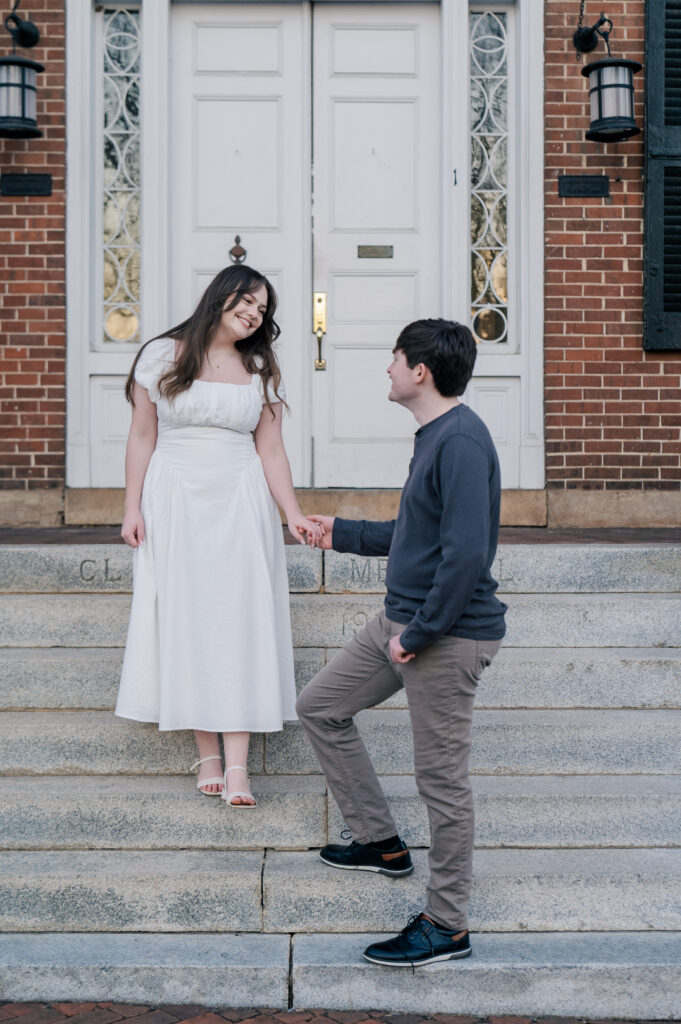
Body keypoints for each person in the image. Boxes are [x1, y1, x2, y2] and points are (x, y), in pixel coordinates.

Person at [298, 318, 507, 966]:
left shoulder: (462, 442)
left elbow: (466, 553)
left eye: (393, 359)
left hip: (444, 635)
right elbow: (418, 532)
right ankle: (379, 842)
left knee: (441, 782)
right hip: (401, 621)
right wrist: (343, 532)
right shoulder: (434, 436)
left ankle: (446, 925)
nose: (386, 369)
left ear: (419, 371)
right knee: (320, 706)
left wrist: (420, 633)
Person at [116, 265, 319, 806]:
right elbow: (142, 435)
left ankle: (237, 765)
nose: (254, 313)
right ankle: (207, 751)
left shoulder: (260, 368)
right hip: (175, 495)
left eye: (263, 309)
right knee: (188, 615)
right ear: (220, 295)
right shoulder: (161, 355)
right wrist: (131, 507)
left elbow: (270, 449)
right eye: (248, 300)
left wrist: (292, 514)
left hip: (240, 498)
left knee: (238, 616)